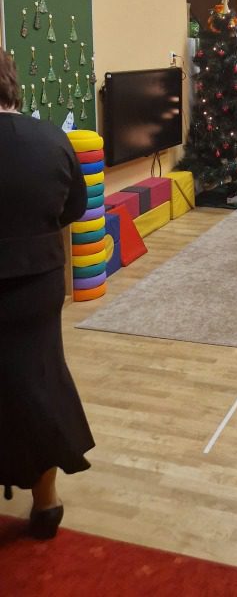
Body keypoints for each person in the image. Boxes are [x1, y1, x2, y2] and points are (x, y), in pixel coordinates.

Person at [0, 48, 94, 539]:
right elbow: (73, 208)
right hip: (37, 282)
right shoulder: (52, 138)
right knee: (39, 383)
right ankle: (46, 503)